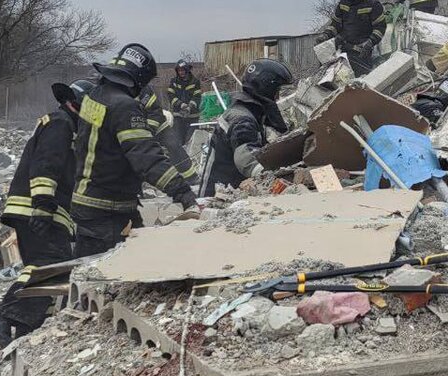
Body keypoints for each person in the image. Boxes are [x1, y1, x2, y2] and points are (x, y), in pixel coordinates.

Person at [0, 78, 91, 347]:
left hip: (36, 209)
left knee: (43, 266)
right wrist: (42, 205)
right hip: (37, 209)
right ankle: (3, 317)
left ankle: (23, 326)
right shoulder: (60, 124)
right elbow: (46, 164)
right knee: (50, 265)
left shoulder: (62, 124)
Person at [70, 43, 199, 257]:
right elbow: (146, 158)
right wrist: (183, 193)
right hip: (108, 210)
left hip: (89, 203)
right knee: (111, 279)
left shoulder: (95, 97)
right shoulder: (124, 106)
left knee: (92, 271)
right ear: (138, 78)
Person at [199, 59, 294, 197]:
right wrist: (271, 179)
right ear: (267, 88)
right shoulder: (242, 119)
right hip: (218, 197)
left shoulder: (249, 111)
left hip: (230, 189)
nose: (277, 97)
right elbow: (245, 158)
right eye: (277, 91)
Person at [316, 0, 386, 74]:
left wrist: (370, 42)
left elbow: (380, 27)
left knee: (360, 80)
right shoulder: (343, 3)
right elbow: (335, 24)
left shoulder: (373, 4)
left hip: (363, 52)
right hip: (343, 49)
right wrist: (326, 35)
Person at [166, 60, 202, 145]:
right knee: (178, 141)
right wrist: (180, 104)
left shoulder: (195, 82)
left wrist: (190, 106)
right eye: (179, 70)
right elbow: (170, 95)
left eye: (182, 70)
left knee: (191, 141)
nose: (181, 72)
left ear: (187, 70)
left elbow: (197, 97)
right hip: (178, 116)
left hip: (193, 116)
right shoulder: (174, 82)